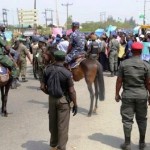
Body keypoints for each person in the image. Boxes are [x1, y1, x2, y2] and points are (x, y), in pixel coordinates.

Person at [115, 42, 150, 150]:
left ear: (131, 50)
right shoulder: (146, 65)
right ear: (140, 52)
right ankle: (142, 143)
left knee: (127, 120)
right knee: (142, 119)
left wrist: (116, 94)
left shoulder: (124, 64)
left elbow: (119, 81)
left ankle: (127, 144)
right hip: (142, 96)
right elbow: (148, 83)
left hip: (128, 95)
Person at [41, 50, 77, 150]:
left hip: (52, 100)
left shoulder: (47, 69)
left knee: (52, 124)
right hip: (63, 101)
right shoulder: (67, 73)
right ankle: (61, 147)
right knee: (63, 126)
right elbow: (72, 91)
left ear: (55, 58)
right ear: (64, 59)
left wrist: (50, 93)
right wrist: (75, 104)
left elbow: (42, 87)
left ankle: (53, 145)